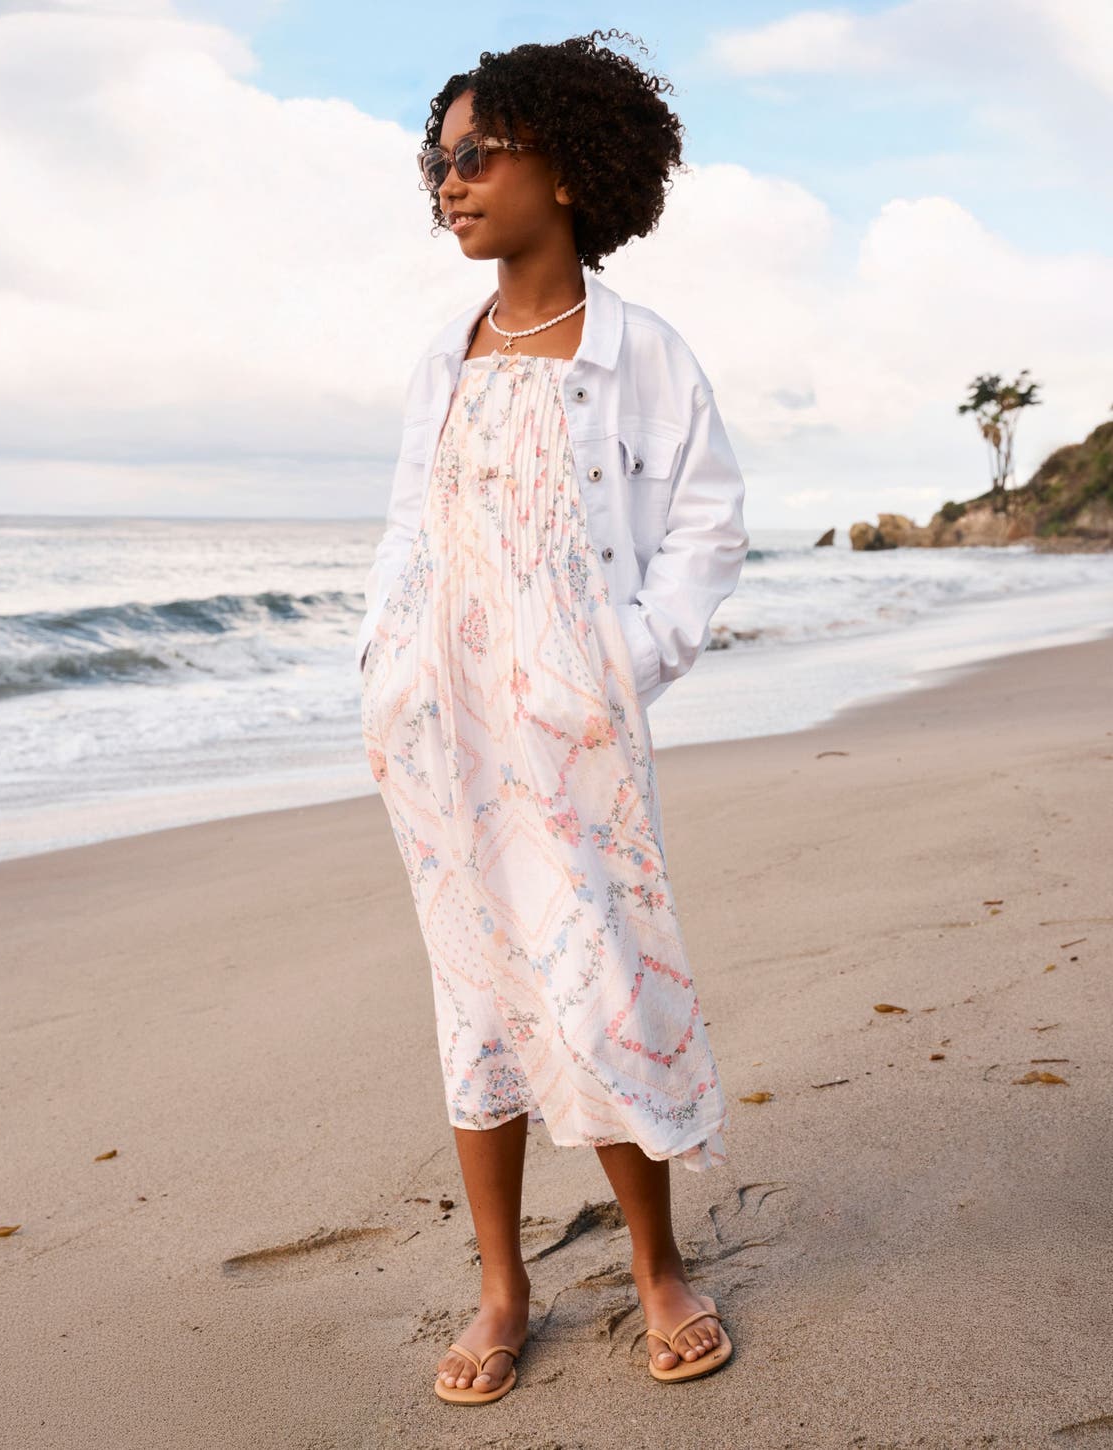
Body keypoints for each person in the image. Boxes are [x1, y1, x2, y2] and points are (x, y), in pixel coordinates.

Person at [356, 29, 749, 1405]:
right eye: (438, 160)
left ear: (568, 168)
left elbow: (706, 526)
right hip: (445, 727)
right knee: (478, 996)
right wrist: (384, 668)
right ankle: (502, 1285)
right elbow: (413, 524)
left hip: (569, 728)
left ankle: (655, 1266)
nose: (449, 182)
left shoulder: (640, 353)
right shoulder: (445, 354)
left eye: (478, 155)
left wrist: (620, 664)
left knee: (598, 970)